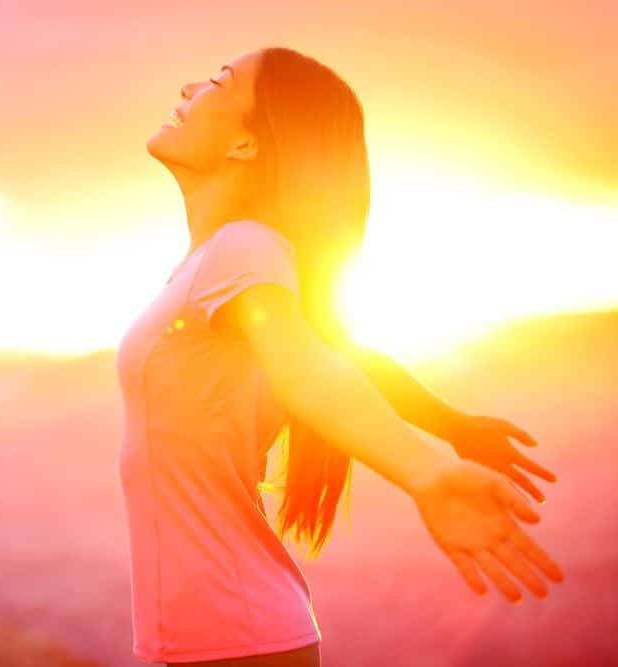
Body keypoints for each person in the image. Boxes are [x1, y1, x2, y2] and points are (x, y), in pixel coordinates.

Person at [115, 46, 565, 667]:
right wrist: (450, 425)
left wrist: (424, 468)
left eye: (219, 81)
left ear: (247, 144)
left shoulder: (243, 249)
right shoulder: (215, 263)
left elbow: (308, 368)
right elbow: (339, 349)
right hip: (205, 639)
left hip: (237, 641)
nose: (191, 83)